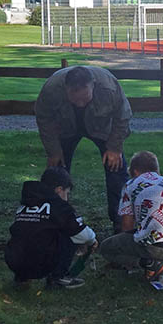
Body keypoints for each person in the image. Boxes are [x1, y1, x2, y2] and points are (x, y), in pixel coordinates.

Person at [34, 66, 132, 233]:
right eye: (75, 99)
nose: (80, 104)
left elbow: (122, 116)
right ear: (66, 88)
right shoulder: (51, 89)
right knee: (56, 171)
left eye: (84, 99)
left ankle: (121, 223)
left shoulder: (109, 87)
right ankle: (55, 218)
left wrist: (115, 148)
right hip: (65, 127)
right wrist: (54, 151)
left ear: (93, 85)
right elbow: (44, 118)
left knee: (116, 168)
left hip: (101, 127)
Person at [101, 150, 163, 280]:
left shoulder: (130, 185)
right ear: (157, 171)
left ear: (135, 172)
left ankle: (149, 263)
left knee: (106, 248)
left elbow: (127, 226)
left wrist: (128, 241)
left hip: (154, 247)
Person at [5, 166, 97, 290]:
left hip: (13, 259)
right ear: (59, 190)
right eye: (67, 193)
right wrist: (92, 240)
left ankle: (22, 278)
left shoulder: (27, 202)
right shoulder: (59, 207)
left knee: (30, 233)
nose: (67, 198)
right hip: (41, 262)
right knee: (69, 233)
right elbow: (82, 234)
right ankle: (58, 278)